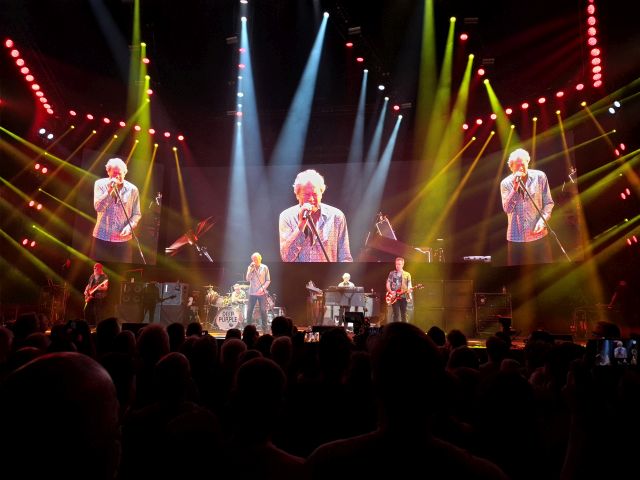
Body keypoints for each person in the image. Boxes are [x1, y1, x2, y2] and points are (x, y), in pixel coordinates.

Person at [279, 169, 352, 262]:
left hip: (327, 271)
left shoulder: (336, 216)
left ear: (321, 193)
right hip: (299, 272)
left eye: (314, 194)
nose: (311, 199)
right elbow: (287, 258)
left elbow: (345, 257)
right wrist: (301, 225)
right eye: (306, 194)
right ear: (297, 195)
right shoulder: (287, 216)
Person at [500, 148, 554, 265]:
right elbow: (507, 209)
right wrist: (515, 188)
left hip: (538, 236)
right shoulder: (505, 183)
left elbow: (549, 203)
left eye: (523, 164)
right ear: (511, 167)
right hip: (516, 238)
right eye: (517, 166)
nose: (520, 168)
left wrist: (542, 221)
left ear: (528, 162)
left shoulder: (540, 176)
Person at [92, 157, 142, 263]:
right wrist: (109, 190)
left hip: (123, 240)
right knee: (99, 268)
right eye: (114, 173)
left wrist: (129, 227)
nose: (117, 176)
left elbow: (137, 214)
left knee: (122, 270)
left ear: (125, 173)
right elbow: (98, 207)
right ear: (108, 172)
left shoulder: (133, 189)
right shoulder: (100, 184)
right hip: (102, 237)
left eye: (120, 173)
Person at [246, 252, 271, 332]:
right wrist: (251, 270)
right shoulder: (250, 267)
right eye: (253, 259)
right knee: (249, 310)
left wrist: (262, 288)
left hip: (261, 293)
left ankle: (265, 329)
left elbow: (268, 280)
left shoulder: (265, 267)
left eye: (256, 259)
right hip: (252, 293)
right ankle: (248, 329)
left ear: (260, 259)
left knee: (263, 310)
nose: (255, 261)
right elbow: (247, 279)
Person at [386, 257, 412, 323]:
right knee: (396, 314)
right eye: (396, 264)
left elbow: (409, 285)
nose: (397, 266)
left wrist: (409, 290)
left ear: (403, 264)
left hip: (404, 297)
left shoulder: (407, 274)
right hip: (395, 297)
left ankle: (404, 328)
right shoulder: (392, 273)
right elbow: (388, 283)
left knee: (404, 314)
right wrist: (391, 292)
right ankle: (396, 328)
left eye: (399, 264)